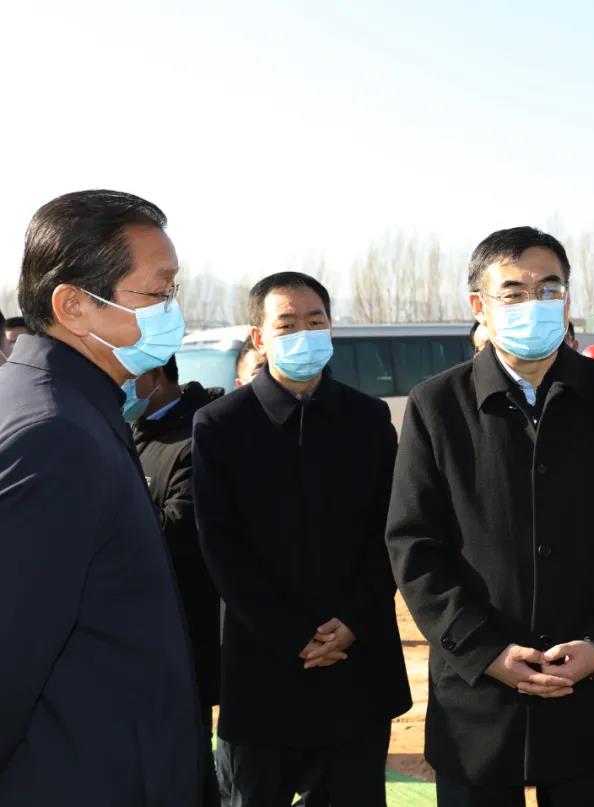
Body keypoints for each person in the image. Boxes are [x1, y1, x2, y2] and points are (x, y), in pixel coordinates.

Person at [386, 226, 594, 806]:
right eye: (514, 293)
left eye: (549, 289)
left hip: (591, 696)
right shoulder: (436, 405)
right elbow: (415, 546)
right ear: (479, 306)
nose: (534, 304)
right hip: (480, 702)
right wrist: (485, 651)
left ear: (568, 300)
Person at [0, 189, 203, 805]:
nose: (172, 311)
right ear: (74, 306)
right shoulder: (53, 434)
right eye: (158, 292)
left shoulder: (72, 405)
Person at [192, 271, 411, 806]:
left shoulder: (368, 418)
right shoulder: (221, 425)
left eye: (316, 322)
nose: (304, 335)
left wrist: (353, 621)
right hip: (263, 669)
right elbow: (222, 548)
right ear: (259, 336)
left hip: (357, 667)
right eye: (287, 324)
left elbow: (390, 532)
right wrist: (293, 634)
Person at [130, 355, 223, 804]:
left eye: (129, 376)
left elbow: (179, 530)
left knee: (185, 759)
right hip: (136, 634)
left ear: (155, 377)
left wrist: (113, 503)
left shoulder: (197, 436)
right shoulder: (134, 431)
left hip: (184, 630)